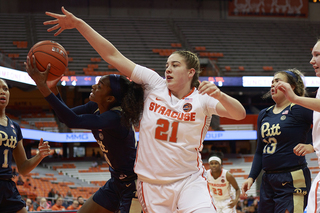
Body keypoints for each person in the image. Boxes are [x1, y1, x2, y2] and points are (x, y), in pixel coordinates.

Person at [43, 7, 246, 212]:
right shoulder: (153, 84)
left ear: (190, 72)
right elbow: (113, 55)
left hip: (189, 181)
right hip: (151, 185)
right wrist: (79, 24)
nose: (168, 68)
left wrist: (220, 95)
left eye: (175, 65)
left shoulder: (202, 99)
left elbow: (239, 114)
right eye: (167, 64)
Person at [26, 56, 144, 212]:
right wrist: (53, 89)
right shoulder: (94, 106)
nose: (94, 86)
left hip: (133, 185)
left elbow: (74, 121)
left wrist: (43, 88)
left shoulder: (116, 118)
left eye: (100, 86)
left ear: (110, 98)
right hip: (116, 182)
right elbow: (65, 118)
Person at [241, 69, 313, 213]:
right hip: (267, 180)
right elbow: (260, 151)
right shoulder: (264, 114)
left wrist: (312, 146)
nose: (273, 85)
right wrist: (251, 177)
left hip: (292, 177)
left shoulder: (300, 108)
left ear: (292, 87)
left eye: (278, 81)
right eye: (272, 82)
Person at [272, 39, 320, 213]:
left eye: (317, 55)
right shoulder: (266, 113)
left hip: (293, 174)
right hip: (270, 177)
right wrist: (313, 146)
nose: (311, 60)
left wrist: (295, 99)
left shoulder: (299, 106)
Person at [0, 78, 50, 213]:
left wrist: (40, 156)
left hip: (7, 185)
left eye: (5, 89)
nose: (2, 92)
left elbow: (22, 168)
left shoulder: (14, 127)